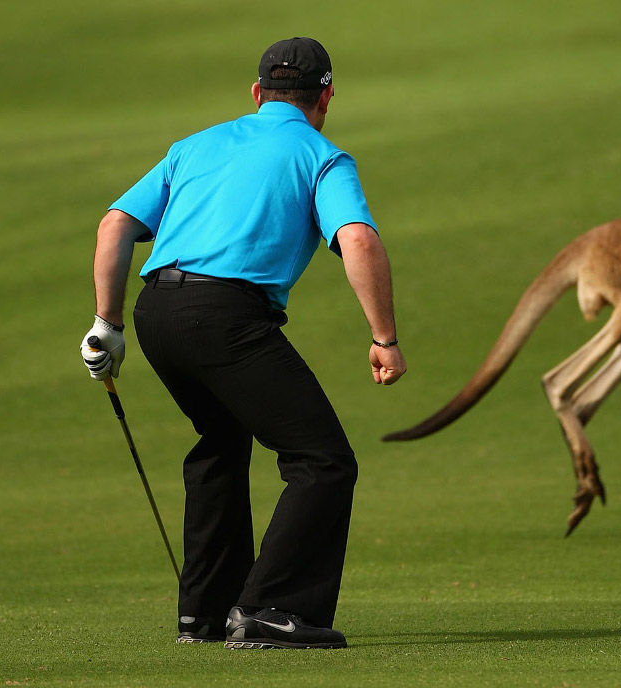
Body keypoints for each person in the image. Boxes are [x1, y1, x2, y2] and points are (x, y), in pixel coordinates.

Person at [79, 37, 406, 650]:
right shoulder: (323, 155)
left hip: (157, 314)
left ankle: (203, 613)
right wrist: (383, 337)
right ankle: (271, 609)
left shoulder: (194, 145)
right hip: (227, 317)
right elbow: (357, 240)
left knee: (221, 442)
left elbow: (115, 226)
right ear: (326, 98)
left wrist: (108, 324)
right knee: (323, 462)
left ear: (257, 94)